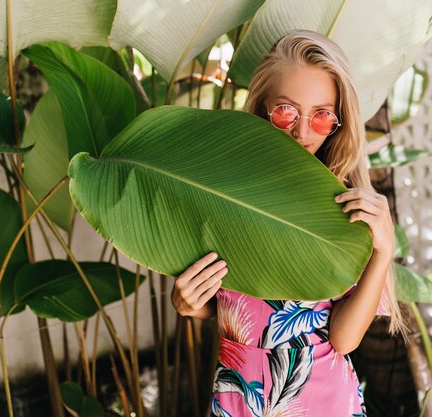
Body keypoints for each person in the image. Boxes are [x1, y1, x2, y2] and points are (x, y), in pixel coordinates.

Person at [171, 29, 404, 417]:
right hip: (238, 395)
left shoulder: (344, 205)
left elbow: (344, 341)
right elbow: (222, 300)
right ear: (261, 105)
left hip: (322, 401)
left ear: (338, 121)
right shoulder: (222, 192)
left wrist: (384, 252)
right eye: (286, 111)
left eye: (321, 115)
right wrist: (188, 303)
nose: (301, 130)